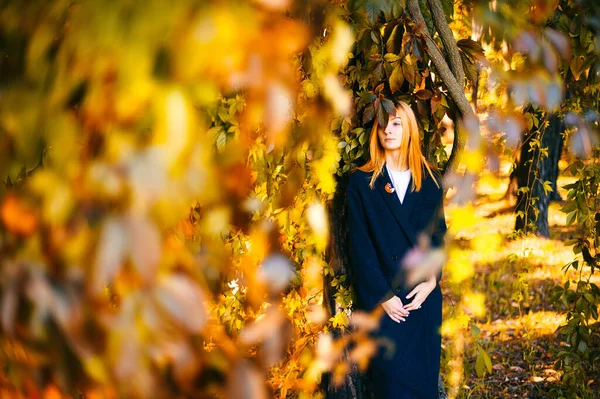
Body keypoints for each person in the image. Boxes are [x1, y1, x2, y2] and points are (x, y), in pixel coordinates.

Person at [346, 101, 447, 399]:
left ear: (410, 129)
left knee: (423, 388)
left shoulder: (429, 180)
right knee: (391, 388)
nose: (388, 130)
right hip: (387, 305)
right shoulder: (362, 182)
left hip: (422, 302)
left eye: (396, 124)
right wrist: (383, 297)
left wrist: (432, 280)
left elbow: (438, 237)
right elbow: (360, 247)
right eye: (382, 125)